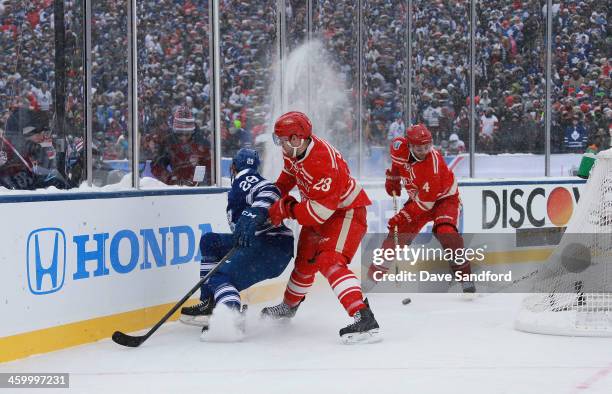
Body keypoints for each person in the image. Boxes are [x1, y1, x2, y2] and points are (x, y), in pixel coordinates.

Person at [260, 111, 381, 344]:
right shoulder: (293, 151)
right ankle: (289, 306)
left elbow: (318, 213)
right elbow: (288, 176)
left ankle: (364, 317)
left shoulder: (323, 162)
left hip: (345, 213)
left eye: (282, 140)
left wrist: (285, 209)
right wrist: (270, 198)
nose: (280, 145)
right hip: (320, 211)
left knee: (330, 260)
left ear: (297, 139)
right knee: (305, 261)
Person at [179, 148, 294, 340]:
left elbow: (270, 191)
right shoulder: (242, 184)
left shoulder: (245, 180)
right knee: (210, 242)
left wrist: (255, 212)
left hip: (270, 246)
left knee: (219, 276)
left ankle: (231, 318)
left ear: (233, 167)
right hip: (266, 245)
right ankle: (209, 303)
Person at [369, 124, 475, 294]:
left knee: (446, 232)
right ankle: (371, 279)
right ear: (409, 145)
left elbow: (427, 203)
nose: (424, 151)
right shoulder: (398, 146)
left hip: (444, 199)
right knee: (397, 234)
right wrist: (393, 178)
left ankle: (466, 279)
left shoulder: (432, 164)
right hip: (420, 198)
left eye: (427, 146)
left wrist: (403, 215)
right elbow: (397, 163)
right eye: (419, 147)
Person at [151, 106, 211, 186]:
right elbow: (156, 166)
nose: (184, 137)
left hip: (201, 190)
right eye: (179, 134)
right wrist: (171, 180)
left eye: (187, 134)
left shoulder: (202, 142)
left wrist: (205, 183)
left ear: (192, 131)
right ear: (175, 131)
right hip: (178, 188)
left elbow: (212, 167)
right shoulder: (168, 142)